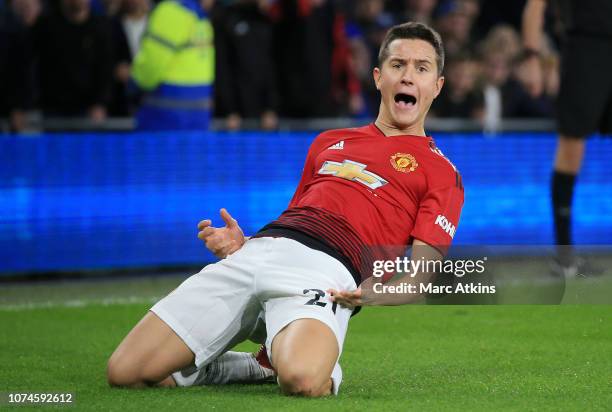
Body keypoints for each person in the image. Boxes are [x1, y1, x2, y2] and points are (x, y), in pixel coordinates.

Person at [107, 22, 464, 397]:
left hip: (328, 270)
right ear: (378, 77)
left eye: (422, 68)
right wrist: (242, 243)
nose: (408, 76)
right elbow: (299, 215)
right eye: (398, 65)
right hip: (260, 251)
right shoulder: (329, 142)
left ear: (436, 86)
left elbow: (421, 278)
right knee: (126, 371)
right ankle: (259, 357)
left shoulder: (442, 173)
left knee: (303, 381)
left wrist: (374, 294)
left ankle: (264, 364)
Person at [522, 0, 612, 276]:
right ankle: (564, 255)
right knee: (571, 146)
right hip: (586, 51)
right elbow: (535, 6)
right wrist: (532, 56)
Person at [130, 0, 215, 130]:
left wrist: (131, 84)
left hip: (165, 121)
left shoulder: (170, 12)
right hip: (197, 120)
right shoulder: (199, 16)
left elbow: (150, 69)